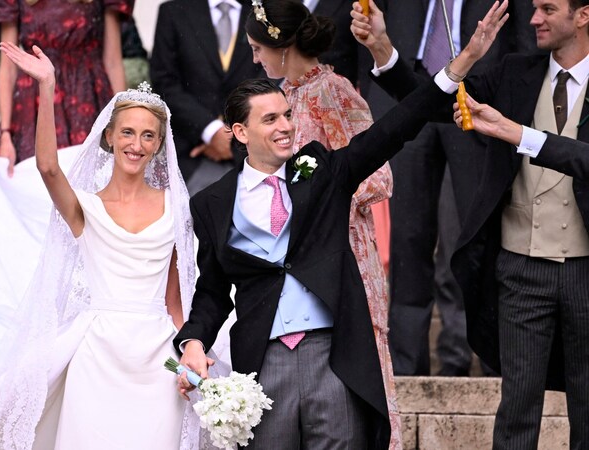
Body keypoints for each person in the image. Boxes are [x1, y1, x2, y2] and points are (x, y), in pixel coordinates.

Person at [175, 2, 507, 447]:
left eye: (287, 116)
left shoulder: (319, 169)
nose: (286, 127)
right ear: (239, 132)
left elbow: (398, 126)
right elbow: (212, 290)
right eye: (270, 119)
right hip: (263, 359)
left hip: (333, 351)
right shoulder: (213, 203)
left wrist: (462, 61)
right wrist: (193, 342)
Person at [353, 0, 589, 446]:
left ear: (583, 15)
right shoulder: (515, 73)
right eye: (534, 8)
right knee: (516, 414)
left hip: (584, 269)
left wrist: (522, 135)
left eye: (547, 9)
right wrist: (384, 49)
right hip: (522, 269)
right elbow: (433, 104)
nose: (533, 18)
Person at [0, 42, 200, 449]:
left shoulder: (176, 208)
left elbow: (175, 302)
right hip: (96, 354)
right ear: (110, 137)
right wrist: (47, 87)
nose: (136, 144)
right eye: (128, 133)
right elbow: (48, 167)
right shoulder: (85, 207)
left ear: (158, 145)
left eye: (148, 136)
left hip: (158, 357)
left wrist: (190, 354)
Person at [243, 0, 400, 445]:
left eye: (258, 48)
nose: (255, 59)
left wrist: (318, 195)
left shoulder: (333, 91)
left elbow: (379, 176)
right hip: (295, 257)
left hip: (342, 248)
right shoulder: (282, 98)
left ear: (283, 45)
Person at [352, 0, 536, 377]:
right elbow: (369, 31)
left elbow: (525, 38)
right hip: (405, 97)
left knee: (475, 235)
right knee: (408, 238)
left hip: (478, 101)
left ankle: (488, 360)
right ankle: (405, 366)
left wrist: (511, 105)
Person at [0, 0, 131, 177]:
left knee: (91, 182)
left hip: (88, 100)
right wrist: (6, 134)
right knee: (33, 182)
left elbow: (113, 62)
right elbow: (8, 68)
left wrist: (123, 123)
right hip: (35, 105)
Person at [149, 0, 264, 195]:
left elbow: (272, 77)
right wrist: (211, 131)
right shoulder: (174, 11)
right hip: (190, 153)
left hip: (252, 153)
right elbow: (164, 82)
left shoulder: (264, 11)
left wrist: (233, 137)